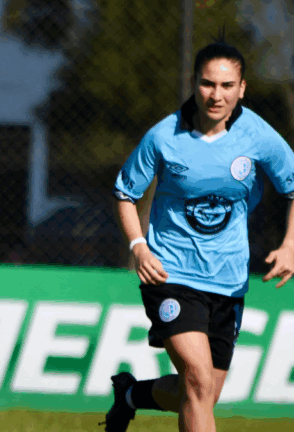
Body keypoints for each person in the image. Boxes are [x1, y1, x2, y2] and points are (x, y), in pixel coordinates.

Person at [103, 36, 294, 432]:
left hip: (228, 281)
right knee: (198, 381)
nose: (216, 95)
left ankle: (131, 395)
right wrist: (138, 247)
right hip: (170, 274)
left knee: (203, 394)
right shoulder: (163, 136)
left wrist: (290, 245)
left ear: (242, 89)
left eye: (227, 86)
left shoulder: (257, 136)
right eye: (208, 83)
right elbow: (125, 194)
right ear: (194, 83)